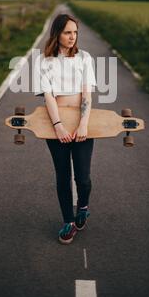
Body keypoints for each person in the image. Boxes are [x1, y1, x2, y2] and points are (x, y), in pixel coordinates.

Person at [34, 13, 97, 244]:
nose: (73, 37)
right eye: (68, 32)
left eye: (75, 33)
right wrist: (58, 126)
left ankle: (83, 206)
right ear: (57, 34)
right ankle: (68, 222)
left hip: (82, 124)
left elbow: (87, 94)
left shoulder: (84, 58)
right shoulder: (44, 61)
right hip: (55, 126)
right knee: (63, 176)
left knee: (83, 178)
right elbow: (48, 96)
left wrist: (83, 124)